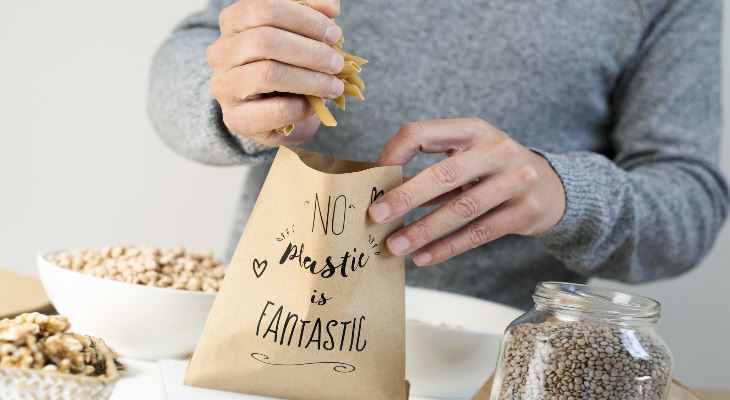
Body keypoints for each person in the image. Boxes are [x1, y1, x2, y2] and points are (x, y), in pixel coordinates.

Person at [148, 0, 728, 309]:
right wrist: (237, 98)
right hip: (273, 332)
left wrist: (562, 191)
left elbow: (690, 200)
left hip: (500, 366)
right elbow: (192, 57)